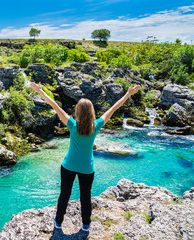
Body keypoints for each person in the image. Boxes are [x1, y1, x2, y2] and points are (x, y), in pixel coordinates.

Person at [30, 81, 141, 232]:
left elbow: (55, 106)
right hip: (87, 168)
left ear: (77, 111)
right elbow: (114, 108)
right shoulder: (96, 126)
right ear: (91, 112)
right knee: (85, 197)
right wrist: (128, 94)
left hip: (68, 165)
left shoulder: (72, 125)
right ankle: (86, 224)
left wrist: (40, 92)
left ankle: (58, 221)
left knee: (64, 194)